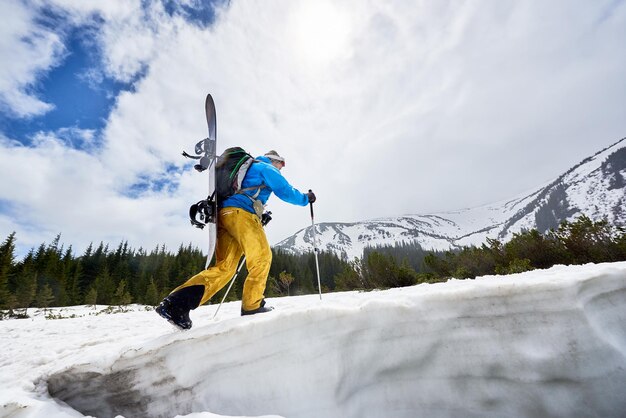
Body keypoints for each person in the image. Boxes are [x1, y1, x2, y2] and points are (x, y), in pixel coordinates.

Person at [156, 150, 316, 329]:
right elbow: (285, 191)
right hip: (242, 215)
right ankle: (252, 305)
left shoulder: (247, 170)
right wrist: (305, 199)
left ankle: (175, 305)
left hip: (224, 215)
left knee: (224, 268)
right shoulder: (265, 167)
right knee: (262, 257)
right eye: (282, 163)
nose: (282, 167)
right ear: (274, 160)